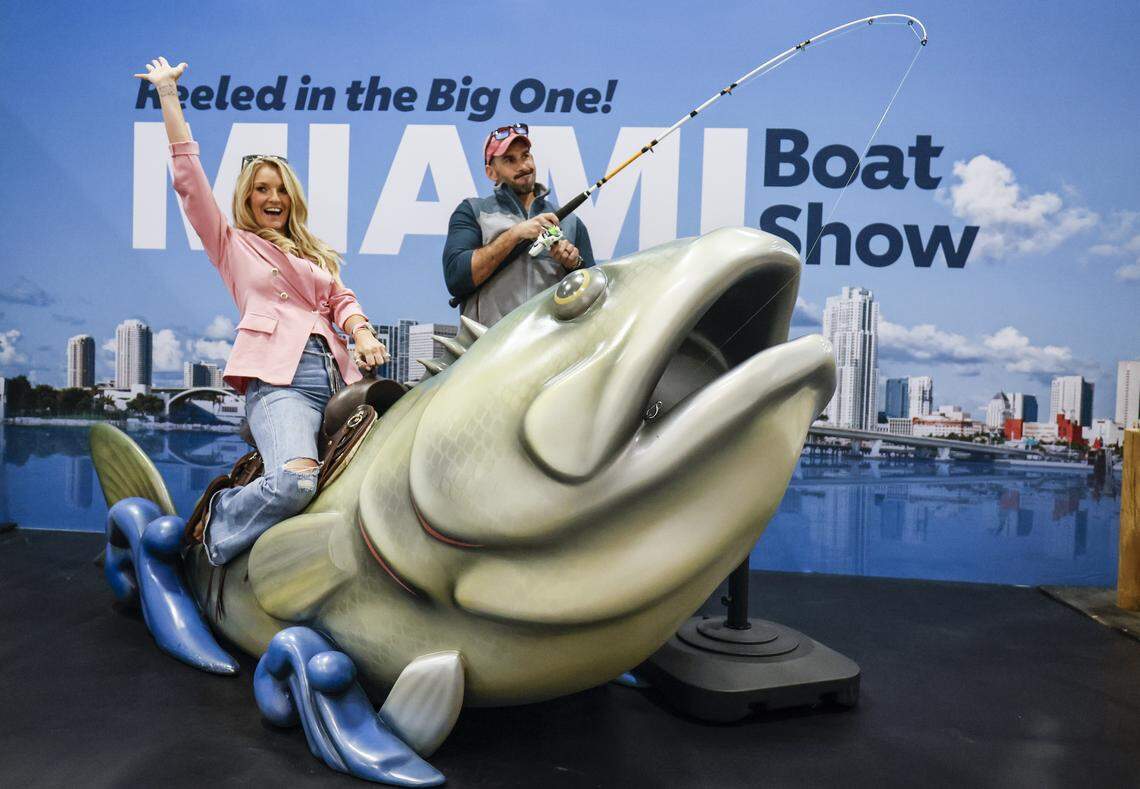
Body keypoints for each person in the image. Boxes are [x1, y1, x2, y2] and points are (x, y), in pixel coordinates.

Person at [136, 57, 389, 565]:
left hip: (336, 381)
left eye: (280, 190)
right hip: (280, 385)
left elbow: (342, 299)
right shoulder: (230, 244)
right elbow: (188, 181)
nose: (272, 198)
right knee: (295, 482)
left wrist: (361, 334)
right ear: (246, 198)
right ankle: (215, 522)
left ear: (292, 198)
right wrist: (168, 94)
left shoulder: (313, 254)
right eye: (261, 189)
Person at [442, 123, 595, 327]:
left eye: (526, 155)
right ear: (491, 172)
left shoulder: (570, 222)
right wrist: (514, 234)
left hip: (549, 348)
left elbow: (593, 296)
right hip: (488, 350)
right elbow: (457, 278)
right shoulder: (472, 211)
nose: (523, 166)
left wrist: (574, 265)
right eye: (509, 160)